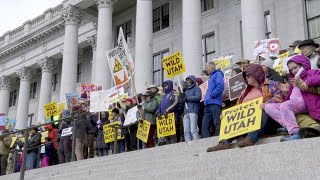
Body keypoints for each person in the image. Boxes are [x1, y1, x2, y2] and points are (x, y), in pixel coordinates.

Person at [207, 64, 284, 152]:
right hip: (248, 123)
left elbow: (280, 97)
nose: (246, 78)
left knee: (265, 110)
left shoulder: (271, 84)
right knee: (229, 117)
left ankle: (251, 139)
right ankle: (224, 142)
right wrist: (228, 116)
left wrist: (267, 103)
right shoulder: (244, 92)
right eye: (245, 76)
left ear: (256, 74)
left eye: (248, 75)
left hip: (267, 121)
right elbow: (238, 107)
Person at [265, 55, 320, 141]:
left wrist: (307, 82)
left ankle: (294, 132)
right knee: (268, 107)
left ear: (303, 65)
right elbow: (290, 97)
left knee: (285, 106)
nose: (294, 71)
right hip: (294, 104)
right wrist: (285, 90)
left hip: (305, 103)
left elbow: (318, 77)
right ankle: (287, 125)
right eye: (291, 70)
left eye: (295, 67)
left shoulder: (311, 72)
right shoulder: (293, 80)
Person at [202, 61, 224, 138]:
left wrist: (213, 94)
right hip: (208, 103)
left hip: (214, 102)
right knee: (205, 124)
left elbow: (220, 86)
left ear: (212, 67)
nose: (206, 69)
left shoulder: (218, 74)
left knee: (217, 121)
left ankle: (219, 137)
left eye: (207, 67)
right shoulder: (211, 77)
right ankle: (205, 140)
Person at [156, 80, 179, 145]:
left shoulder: (174, 93)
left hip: (172, 116)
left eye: (166, 85)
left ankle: (174, 149)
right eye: (163, 86)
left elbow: (175, 103)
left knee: (172, 134)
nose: (164, 87)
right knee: (166, 135)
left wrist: (167, 110)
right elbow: (159, 106)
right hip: (164, 118)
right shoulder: (162, 96)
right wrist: (158, 112)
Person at [182, 75, 202, 143]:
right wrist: (181, 98)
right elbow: (183, 101)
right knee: (186, 131)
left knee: (193, 129)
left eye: (189, 80)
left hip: (193, 110)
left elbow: (198, 97)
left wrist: (187, 98)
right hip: (186, 112)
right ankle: (188, 144)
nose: (188, 81)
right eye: (187, 80)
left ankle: (196, 143)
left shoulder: (196, 88)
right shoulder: (186, 91)